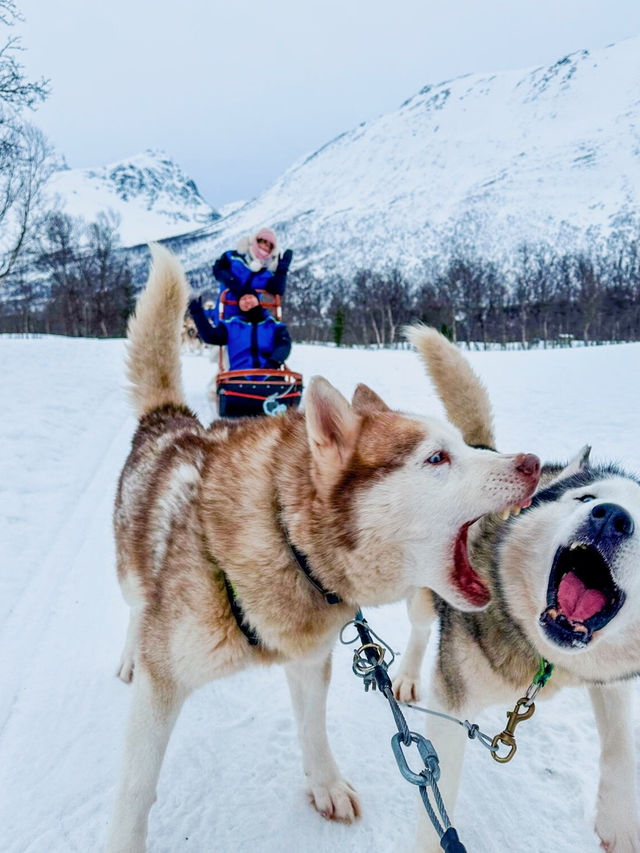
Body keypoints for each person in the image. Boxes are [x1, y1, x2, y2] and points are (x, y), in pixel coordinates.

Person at [188, 285, 292, 371]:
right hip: (239, 377)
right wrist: (197, 313)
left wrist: (274, 361)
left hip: (270, 374)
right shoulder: (231, 325)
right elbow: (210, 336)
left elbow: (284, 345)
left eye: (250, 297)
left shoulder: (274, 325)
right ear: (239, 305)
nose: (247, 301)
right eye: (243, 299)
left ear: (257, 300)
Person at [212, 227, 293, 320]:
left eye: (269, 246)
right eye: (263, 242)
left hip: (251, 315)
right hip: (226, 311)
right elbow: (218, 270)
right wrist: (232, 283)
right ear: (256, 241)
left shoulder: (267, 272)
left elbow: (277, 289)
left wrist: (282, 270)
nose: (265, 247)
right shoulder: (233, 257)